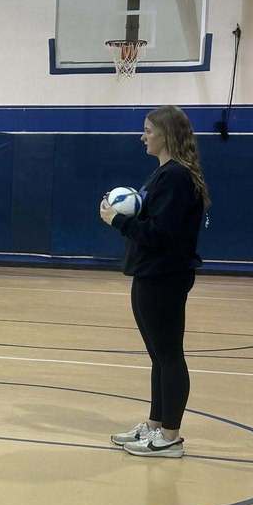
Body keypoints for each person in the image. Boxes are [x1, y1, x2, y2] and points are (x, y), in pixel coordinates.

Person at [100, 105, 209, 459]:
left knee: (169, 355)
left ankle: (170, 438)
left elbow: (160, 235)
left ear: (166, 134)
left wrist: (117, 220)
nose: (142, 136)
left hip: (164, 277)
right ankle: (156, 425)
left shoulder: (176, 177)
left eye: (148, 130)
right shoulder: (164, 174)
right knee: (159, 357)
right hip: (150, 274)